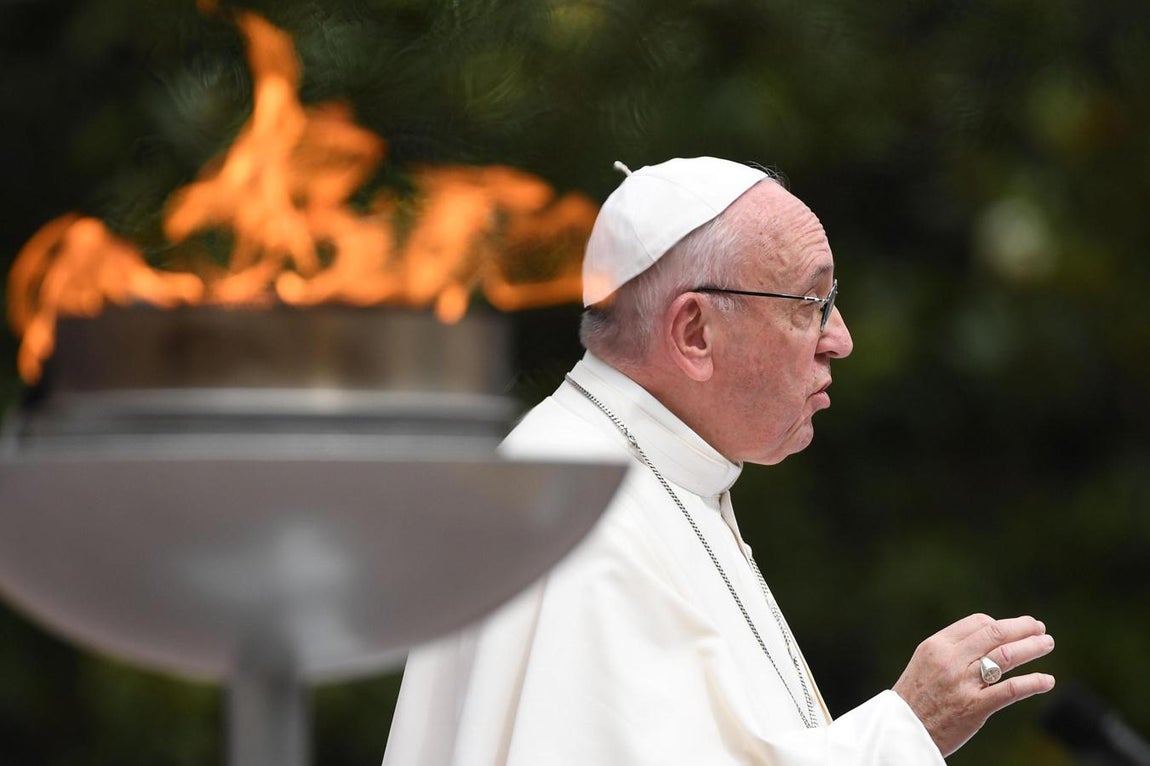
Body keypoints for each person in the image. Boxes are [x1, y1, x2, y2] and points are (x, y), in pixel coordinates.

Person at [382, 156, 1056, 764]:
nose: (840, 339)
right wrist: (905, 730)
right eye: (811, 304)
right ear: (695, 333)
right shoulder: (575, 509)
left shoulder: (644, 473)